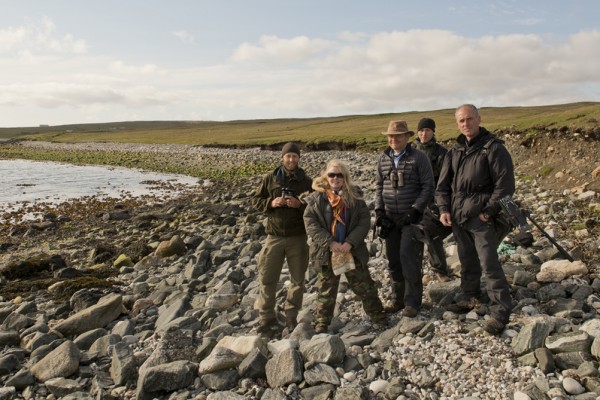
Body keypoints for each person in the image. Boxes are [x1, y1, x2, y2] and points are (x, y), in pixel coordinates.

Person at [435, 104, 515, 335]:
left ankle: (501, 311)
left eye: (469, 119)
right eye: (461, 121)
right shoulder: (455, 151)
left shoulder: (493, 148)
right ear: (457, 123)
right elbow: (442, 187)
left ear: (479, 119)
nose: (465, 124)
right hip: (459, 216)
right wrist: (443, 209)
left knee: (489, 263)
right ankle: (470, 296)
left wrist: (488, 212)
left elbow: (506, 186)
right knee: (467, 259)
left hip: (482, 217)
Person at [304, 159, 386, 333]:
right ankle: (322, 323)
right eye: (331, 175)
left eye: (339, 175)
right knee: (326, 290)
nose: (335, 178)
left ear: (345, 177)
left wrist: (350, 242)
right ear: (326, 176)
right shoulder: (316, 198)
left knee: (364, 285)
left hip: (353, 250)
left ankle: (378, 316)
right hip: (327, 252)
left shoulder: (355, 197)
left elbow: (364, 222)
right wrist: (329, 242)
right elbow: (310, 223)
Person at [251, 142, 313, 335]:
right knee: (267, 277)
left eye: (295, 156)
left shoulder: (307, 181)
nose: (291, 159)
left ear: (299, 158)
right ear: (282, 158)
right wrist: (272, 202)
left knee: (297, 279)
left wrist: (299, 205)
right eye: (288, 156)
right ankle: (266, 317)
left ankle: (291, 316)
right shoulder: (270, 178)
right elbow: (255, 200)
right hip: (274, 236)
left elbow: (316, 207)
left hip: (298, 236)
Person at [375, 120, 435, 317]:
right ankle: (397, 299)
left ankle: (412, 302)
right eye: (391, 136)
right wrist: (379, 211)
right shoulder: (383, 159)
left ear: (407, 137)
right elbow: (379, 187)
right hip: (390, 218)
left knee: (408, 257)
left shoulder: (419, 158)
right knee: (393, 259)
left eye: (398, 135)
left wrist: (415, 210)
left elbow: (428, 186)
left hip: (412, 219)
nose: (393, 139)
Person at [413, 117, 453, 281]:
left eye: (427, 130)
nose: (424, 134)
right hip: (413, 200)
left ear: (433, 132)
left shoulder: (442, 153)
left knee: (431, 233)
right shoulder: (410, 151)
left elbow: (446, 180)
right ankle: (414, 270)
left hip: (435, 199)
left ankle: (440, 270)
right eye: (421, 130)